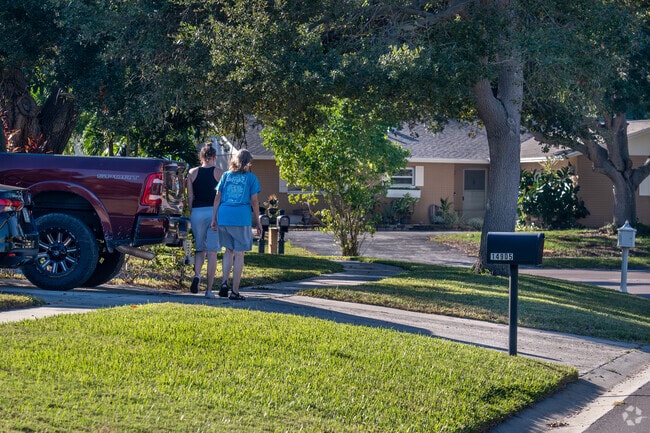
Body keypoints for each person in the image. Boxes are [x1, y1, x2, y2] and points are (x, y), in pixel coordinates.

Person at [211, 149, 262, 300]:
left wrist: (214, 218)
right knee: (239, 253)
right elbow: (254, 201)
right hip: (241, 217)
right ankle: (235, 291)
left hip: (224, 215)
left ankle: (224, 283)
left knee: (229, 250)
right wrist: (258, 222)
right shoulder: (251, 178)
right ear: (248, 162)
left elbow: (217, 198)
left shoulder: (226, 176)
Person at [187, 143, 224, 297]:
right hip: (213, 212)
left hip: (197, 212)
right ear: (214, 157)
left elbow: (190, 196)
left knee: (200, 248)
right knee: (213, 252)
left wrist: (191, 211)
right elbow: (222, 196)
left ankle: (197, 275)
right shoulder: (220, 173)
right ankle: (209, 290)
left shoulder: (192, 172)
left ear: (201, 157)